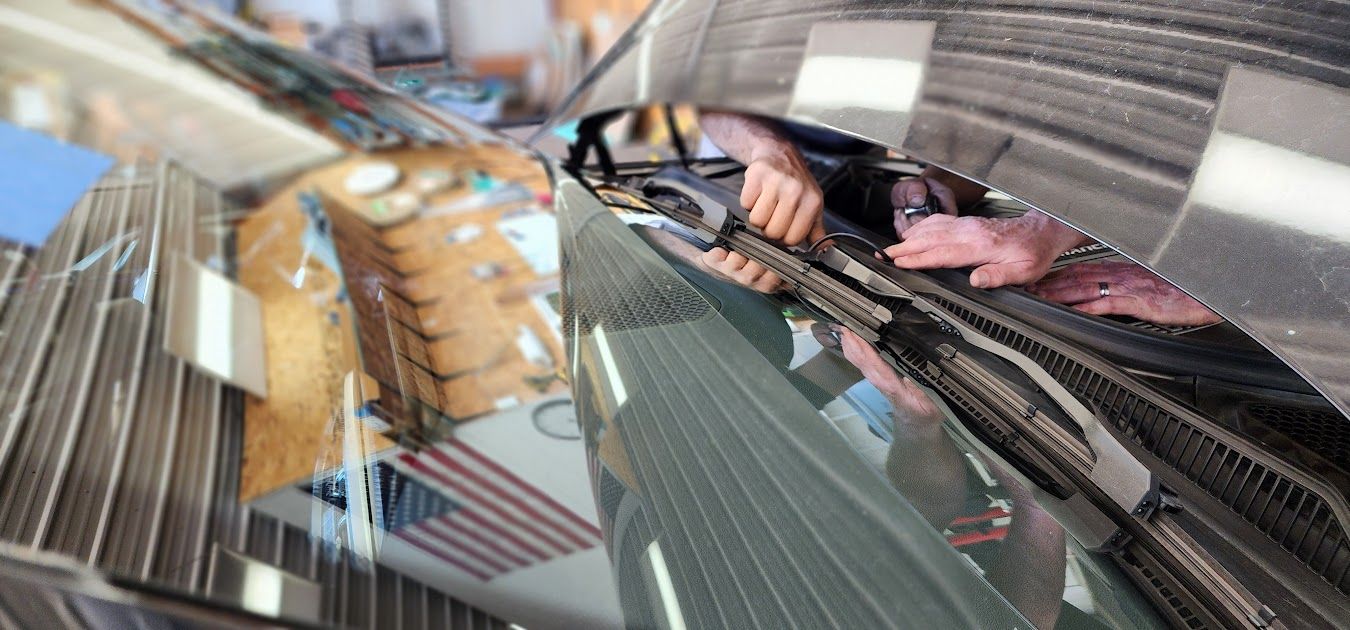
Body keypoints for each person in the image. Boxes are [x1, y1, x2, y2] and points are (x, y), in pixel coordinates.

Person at [697, 110, 1221, 325]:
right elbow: (706, 90)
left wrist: (945, 181)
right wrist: (768, 149)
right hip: (742, 156)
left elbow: (987, 112)